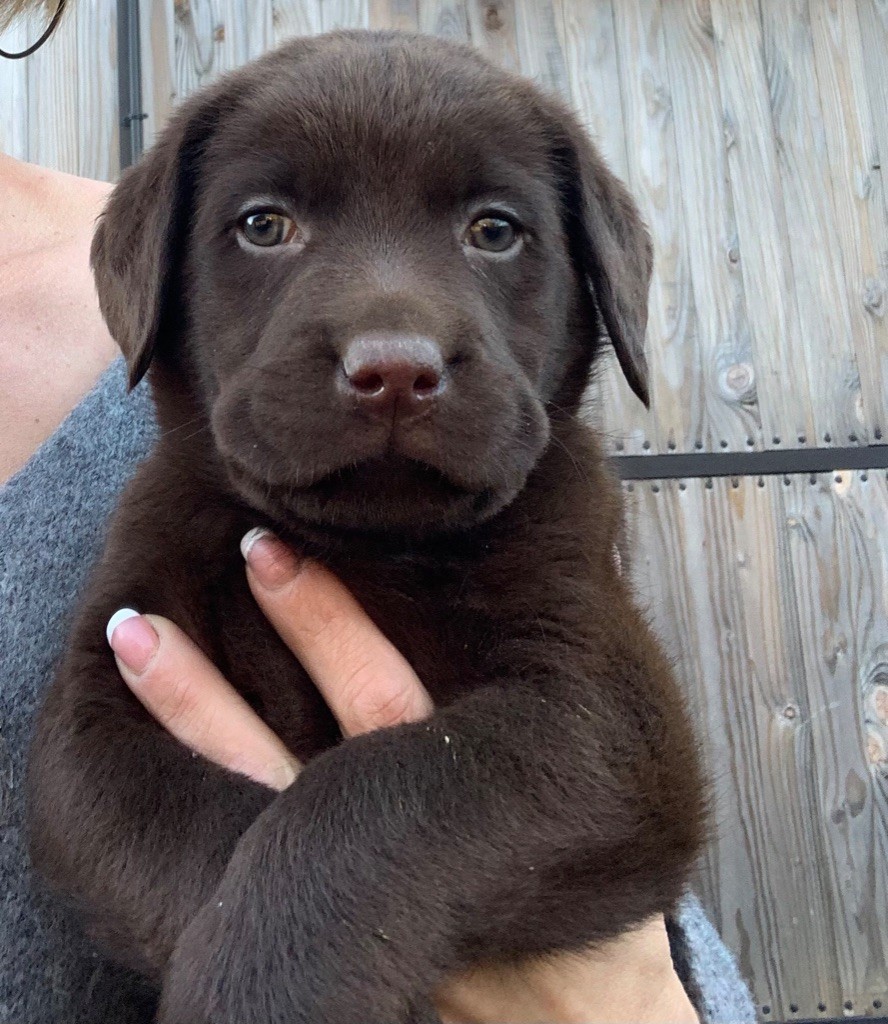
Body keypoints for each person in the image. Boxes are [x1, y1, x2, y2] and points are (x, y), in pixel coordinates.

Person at [0, 11, 755, 1022]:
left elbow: (612, 768)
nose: (392, 340)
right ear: (155, 280)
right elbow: (94, 767)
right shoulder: (178, 506)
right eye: (265, 226)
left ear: (594, 291)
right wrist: (256, 943)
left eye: (494, 231)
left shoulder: (542, 516)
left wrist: (309, 909)